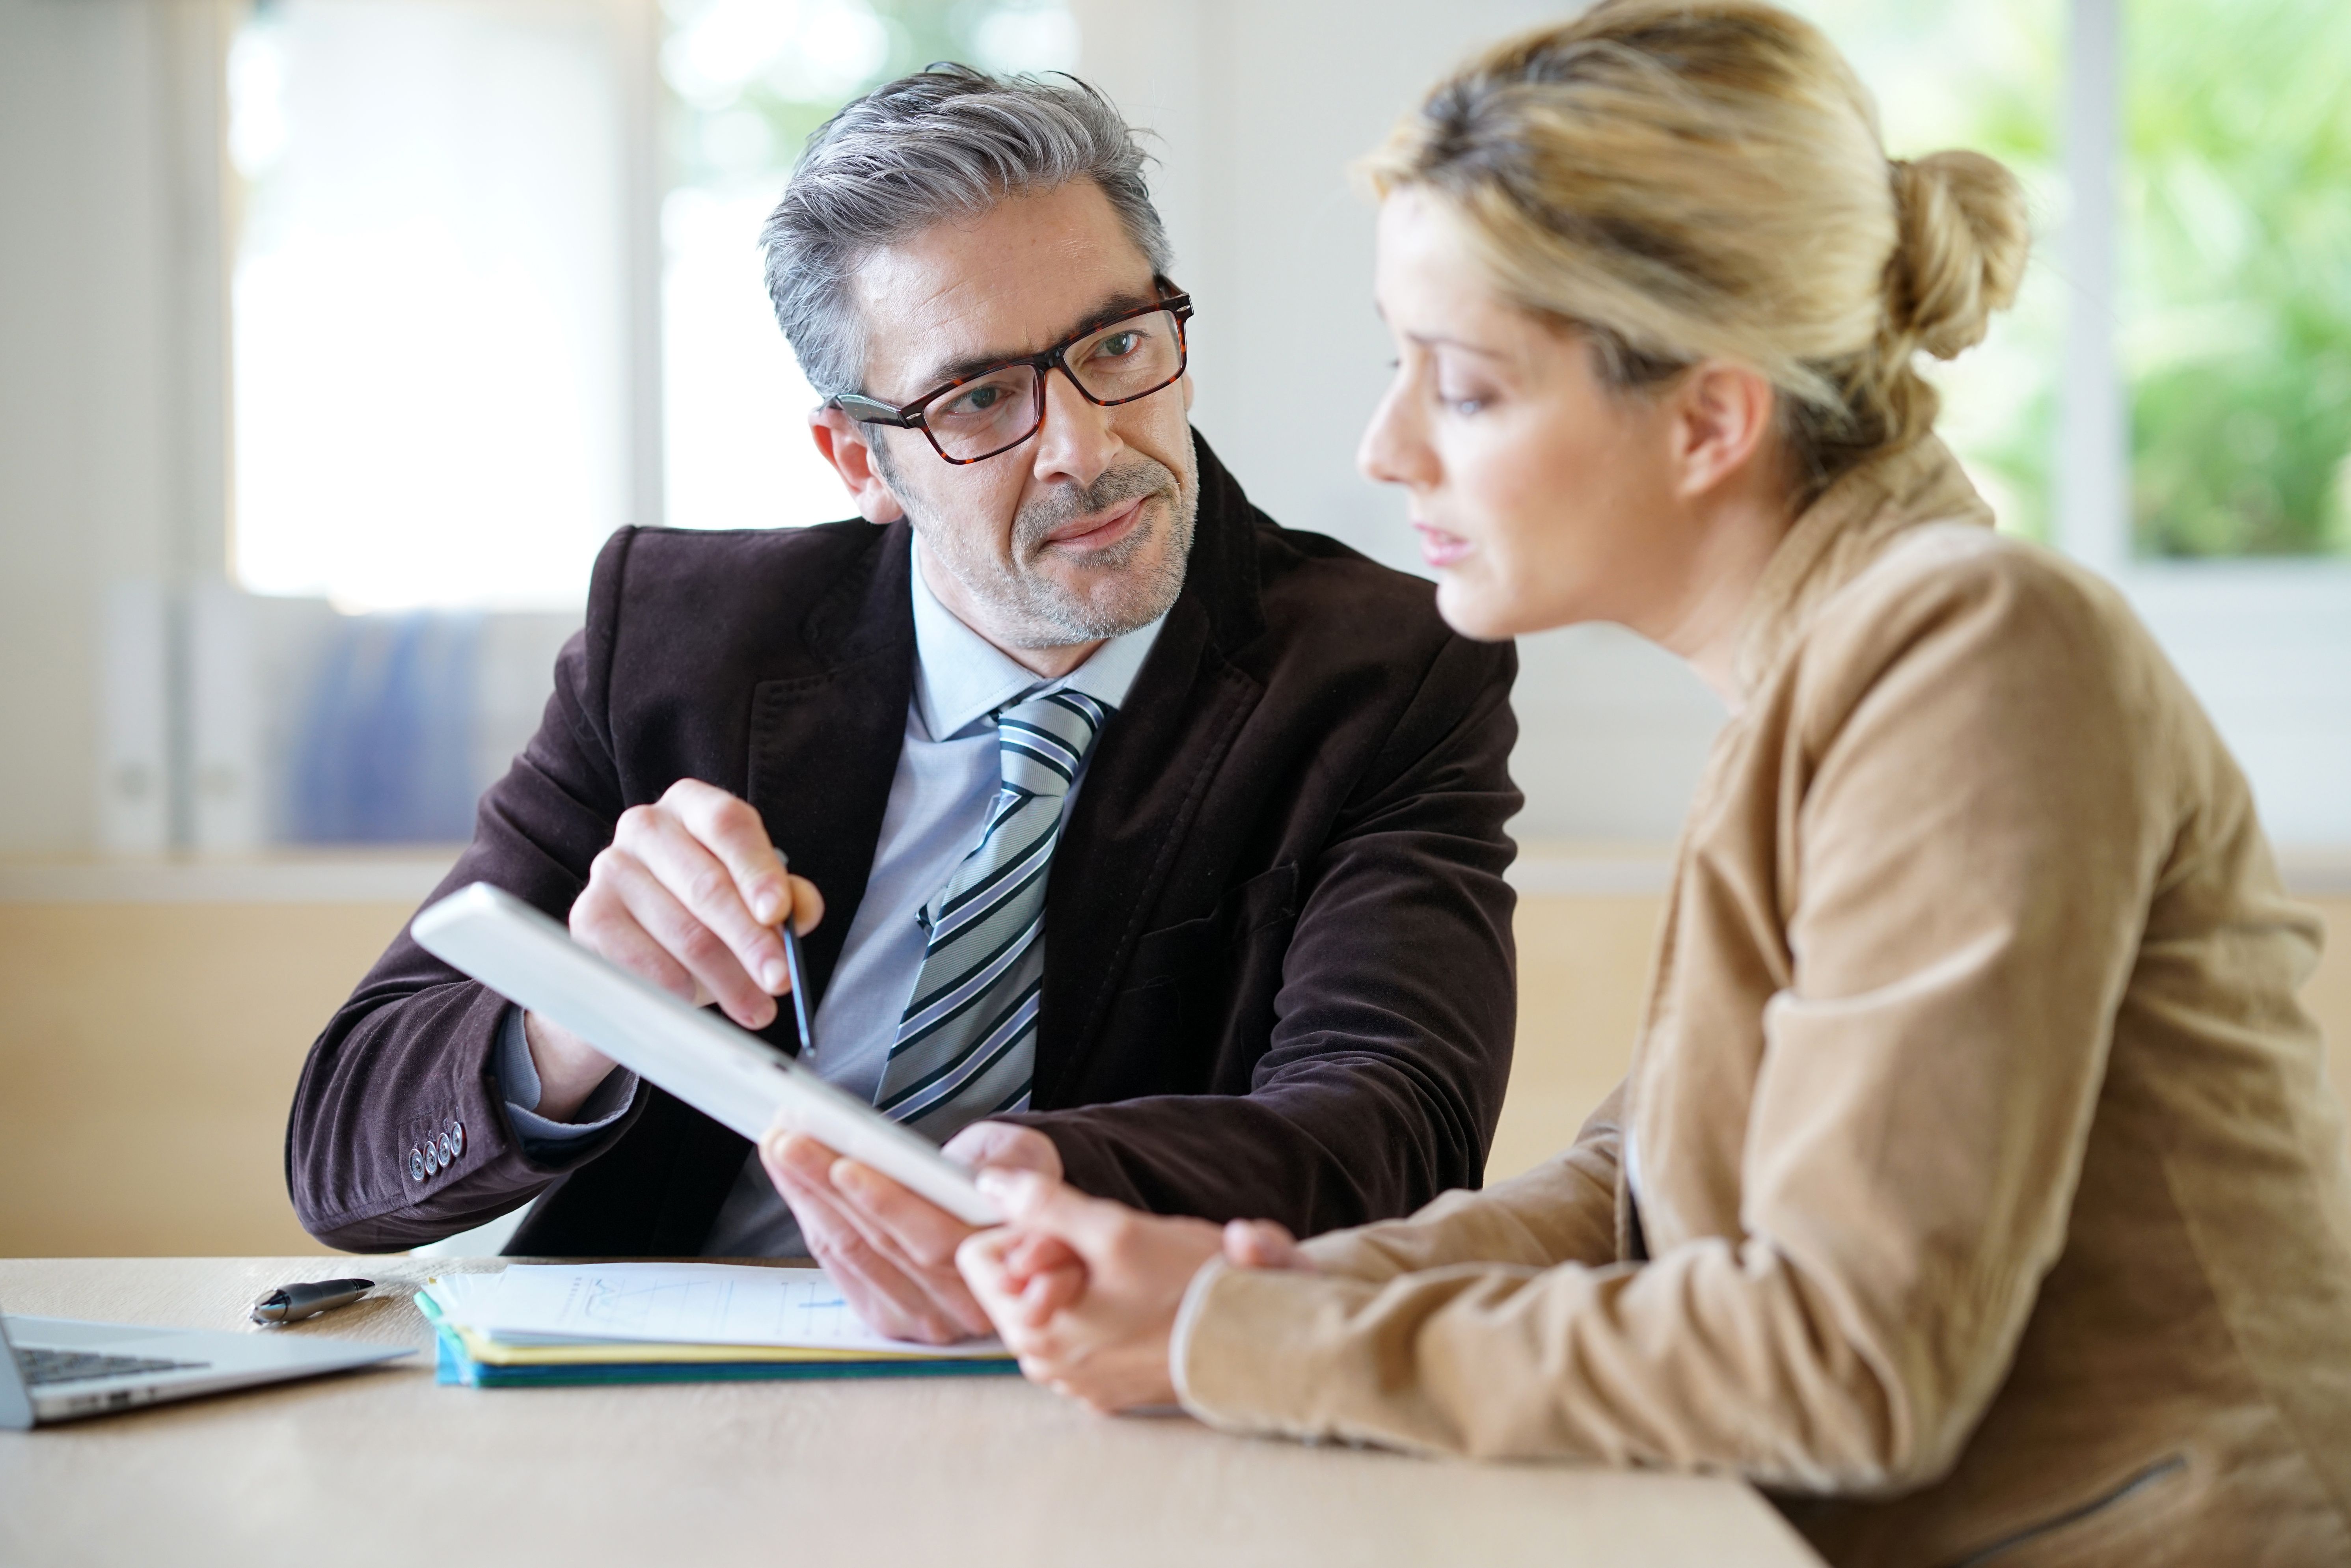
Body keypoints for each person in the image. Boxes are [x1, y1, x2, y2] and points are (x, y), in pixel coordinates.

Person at [950, 4, 2351, 1561]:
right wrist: (1247, 1290)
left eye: (1466, 387)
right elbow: (1644, 1184)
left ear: (1707, 417)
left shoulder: (1977, 655)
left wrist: (1238, 1338)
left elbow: (1847, 1364)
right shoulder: (1830, 664)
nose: (1387, 445)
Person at [285, 66, 1524, 1346]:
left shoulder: (1383, 667)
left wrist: (1046, 1183)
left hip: (1085, 1380)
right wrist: (584, 1003)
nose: (1084, 449)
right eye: (978, 398)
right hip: (661, 1382)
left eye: (1114, 347)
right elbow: (344, 1158)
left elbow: (1400, 1125)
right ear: (855, 458)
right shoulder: (674, 639)